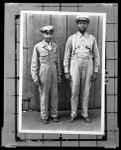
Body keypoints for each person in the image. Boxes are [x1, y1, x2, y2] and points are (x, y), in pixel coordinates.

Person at [63, 15, 100, 123]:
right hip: (74, 65)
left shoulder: (92, 38)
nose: (82, 25)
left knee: (86, 92)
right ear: (77, 24)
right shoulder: (71, 38)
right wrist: (66, 71)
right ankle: (73, 114)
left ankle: (84, 113)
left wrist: (95, 71)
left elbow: (96, 55)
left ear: (87, 24)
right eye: (80, 23)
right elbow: (66, 55)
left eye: (84, 23)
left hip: (88, 65)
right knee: (74, 92)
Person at [31, 25, 61, 124]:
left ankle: (54, 114)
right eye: (46, 34)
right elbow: (34, 63)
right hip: (43, 71)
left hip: (54, 71)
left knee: (54, 94)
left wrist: (59, 74)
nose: (48, 36)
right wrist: (35, 76)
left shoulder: (55, 46)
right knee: (44, 95)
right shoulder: (38, 46)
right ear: (43, 34)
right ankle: (44, 116)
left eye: (50, 34)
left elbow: (58, 62)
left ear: (52, 34)